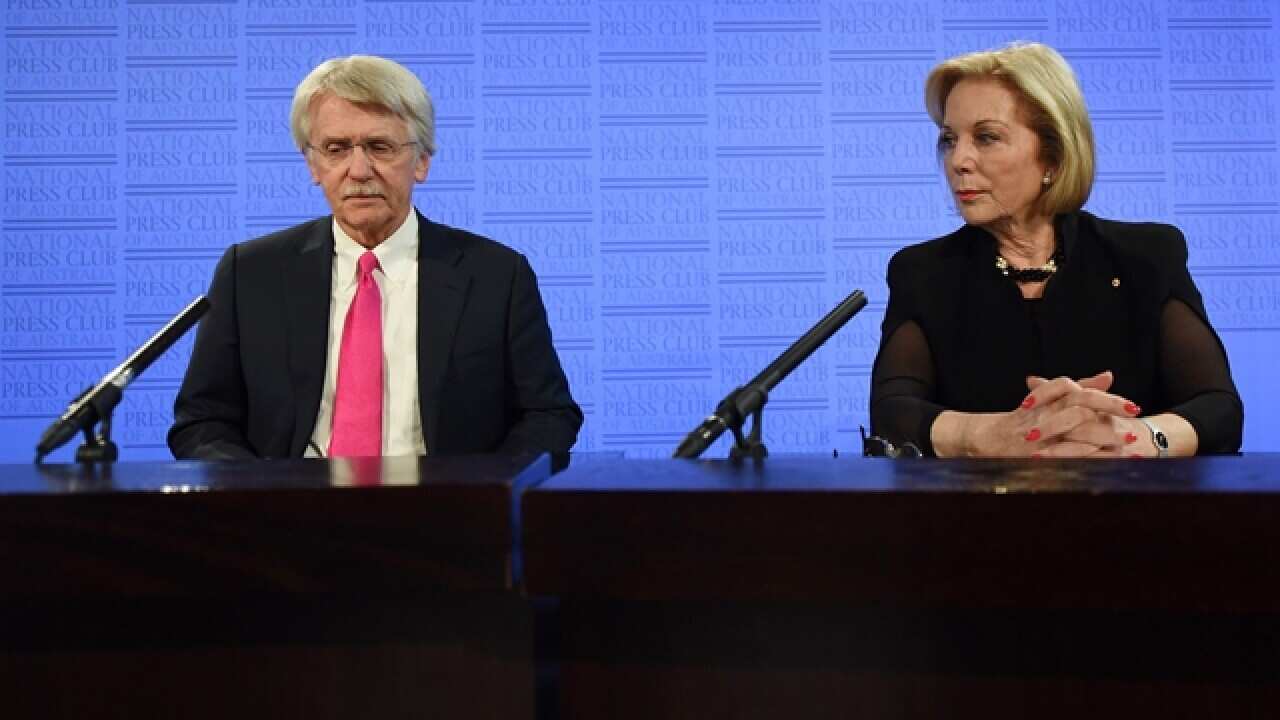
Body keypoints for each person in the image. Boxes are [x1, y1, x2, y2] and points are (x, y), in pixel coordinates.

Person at [169, 55, 582, 461]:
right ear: (313, 165)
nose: (359, 170)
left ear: (421, 161)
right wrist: (260, 492)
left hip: (442, 500)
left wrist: (485, 488)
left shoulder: (496, 275)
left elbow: (548, 415)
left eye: (379, 147)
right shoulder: (251, 273)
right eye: (336, 148)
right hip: (290, 501)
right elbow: (202, 421)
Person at [869, 42, 1243, 458]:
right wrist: (991, 435)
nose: (959, 160)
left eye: (986, 137)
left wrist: (1134, 437)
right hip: (979, 500)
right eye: (949, 140)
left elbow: (1218, 409)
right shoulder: (924, 272)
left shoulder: (1146, 257)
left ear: (1053, 155)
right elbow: (892, 414)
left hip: (1131, 495)